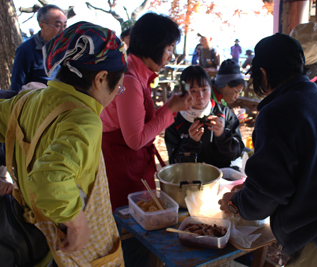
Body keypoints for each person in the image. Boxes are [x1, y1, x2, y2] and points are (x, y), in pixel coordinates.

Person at [218, 33, 317, 266]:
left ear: (263, 73)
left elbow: (269, 192)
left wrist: (237, 204)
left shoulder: (277, 111)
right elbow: (303, 169)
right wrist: (251, 189)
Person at [0, 21, 127, 266]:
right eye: (118, 86)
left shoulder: (30, 99)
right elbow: (50, 177)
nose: (116, 93)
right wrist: (77, 224)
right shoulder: (85, 121)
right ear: (101, 79)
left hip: (32, 235)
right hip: (66, 249)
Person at [101, 12, 193, 210]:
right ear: (153, 45)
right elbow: (135, 139)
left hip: (130, 162)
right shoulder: (130, 80)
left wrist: (169, 107)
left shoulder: (136, 73)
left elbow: (138, 121)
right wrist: (171, 110)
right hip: (123, 166)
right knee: (130, 222)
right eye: (169, 49)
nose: (171, 55)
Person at [165, 65, 244, 168]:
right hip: (190, 179)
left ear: (211, 89)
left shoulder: (225, 114)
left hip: (222, 177)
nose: (200, 96)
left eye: (204, 89)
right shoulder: (174, 120)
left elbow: (235, 153)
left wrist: (222, 135)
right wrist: (191, 142)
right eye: (193, 91)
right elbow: (174, 163)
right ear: (183, 91)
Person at [10, 5, 67, 92]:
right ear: (42, 25)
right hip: (39, 101)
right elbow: (17, 87)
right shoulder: (26, 50)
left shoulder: (68, 49)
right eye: (58, 25)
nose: (63, 30)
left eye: (65, 25)